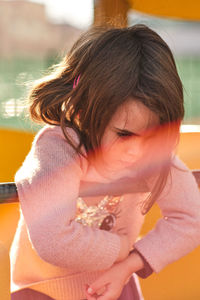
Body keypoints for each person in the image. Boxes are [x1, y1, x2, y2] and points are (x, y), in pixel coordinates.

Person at [10, 24, 200, 300]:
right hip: (44, 292)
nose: (136, 151)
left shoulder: (152, 156)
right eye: (123, 134)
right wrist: (122, 248)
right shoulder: (58, 150)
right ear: (85, 108)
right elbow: (53, 240)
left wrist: (128, 265)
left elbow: (191, 218)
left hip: (116, 286)